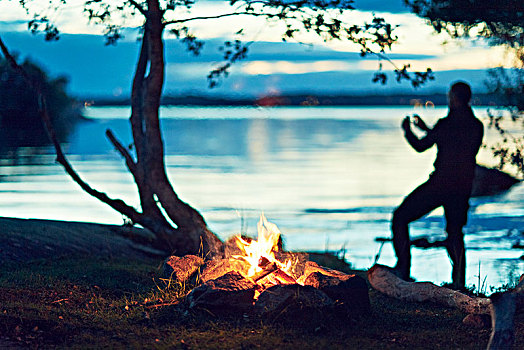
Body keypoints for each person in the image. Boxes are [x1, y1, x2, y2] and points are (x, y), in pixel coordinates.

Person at [391, 81, 484, 290]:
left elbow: (420, 146)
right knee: (455, 232)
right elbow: (452, 141)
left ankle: (403, 270)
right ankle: (459, 281)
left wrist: (408, 130)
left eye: (450, 95)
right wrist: (430, 130)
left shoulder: (446, 124)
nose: (449, 99)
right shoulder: (476, 126)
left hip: (440, 184)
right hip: (462, 187)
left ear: (455, 99)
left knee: (400, 218)